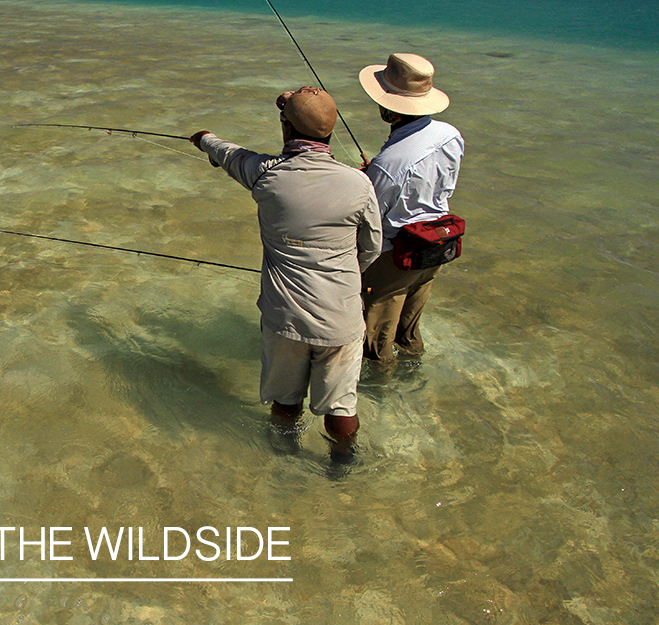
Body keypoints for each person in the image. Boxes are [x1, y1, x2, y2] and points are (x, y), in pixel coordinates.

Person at [189, 87, 382, 462]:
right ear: (331, 129)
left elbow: (228, 153)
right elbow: (372, 246)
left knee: (285, 401)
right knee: (342, 406)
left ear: (285, 128)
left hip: (284, 318)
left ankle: (283, 458)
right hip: (341, 318)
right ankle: (343, 466)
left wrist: (203, 139)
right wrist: (346, 277)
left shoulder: (267, 175)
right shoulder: (359, 184)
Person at [357, 53, 465, 363]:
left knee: (376, 346)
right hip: (435, 246)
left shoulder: (389, 164)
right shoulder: (451, 135)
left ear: (388, 105)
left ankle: (384, 400)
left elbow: (369, 217)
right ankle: (416, 381)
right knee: (408, 334)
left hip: (395, 258)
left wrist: (371, 178)